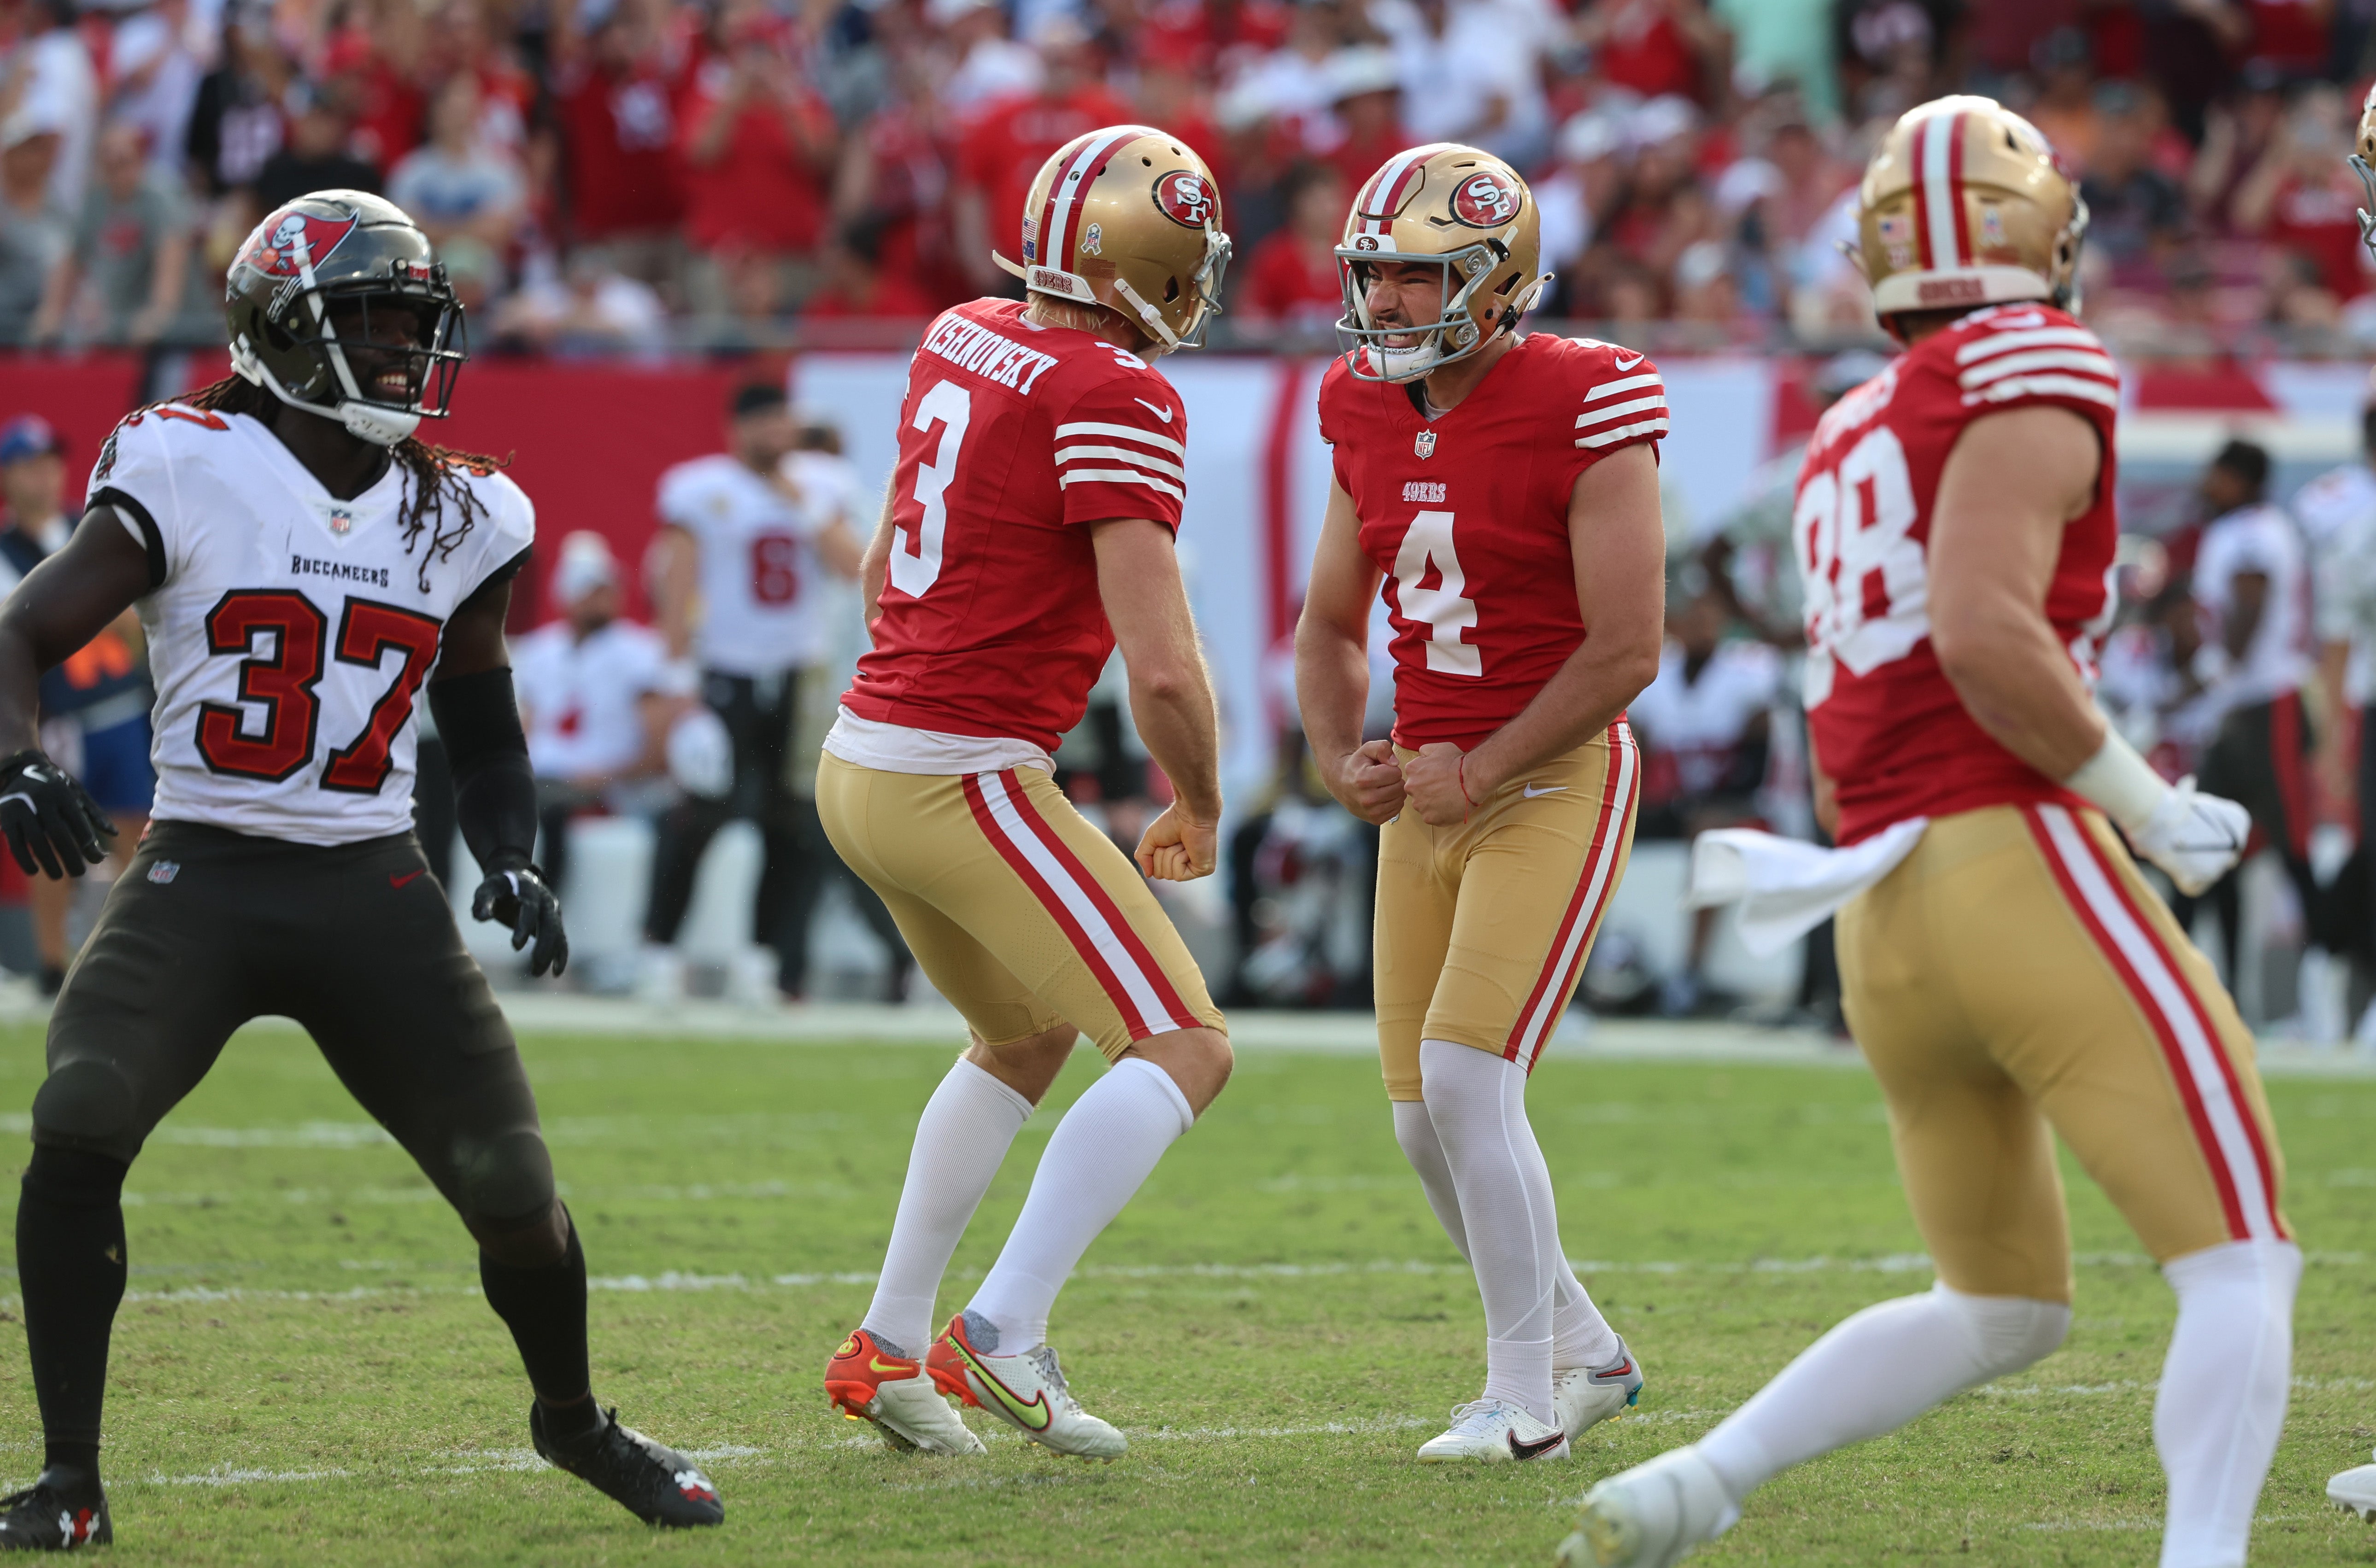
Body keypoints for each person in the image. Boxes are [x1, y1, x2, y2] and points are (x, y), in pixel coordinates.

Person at [1565, 97, 2289, 1568]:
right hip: (2011, 855)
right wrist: (2146, 806)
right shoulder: (2032, 361)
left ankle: (1695, 1484)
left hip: (1882, 902)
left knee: (2003, 1306)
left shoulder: (1850, 425)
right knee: (2243, 1258)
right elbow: (1981, 630)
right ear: (2042, 237)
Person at [0, 190, 723, 1548]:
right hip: (205, 867)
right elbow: (22, 631)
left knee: (513, 1185)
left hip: (367, 883)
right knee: (83, 1105)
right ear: (284, 332)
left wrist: (509, 855)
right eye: (377, 324)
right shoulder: (187, 461)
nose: (407, 353)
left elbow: (486, 727)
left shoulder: (466, 514)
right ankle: (70, 1479)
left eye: (416, 325)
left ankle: (573, 1423)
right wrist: (15, 763)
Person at [817, 125, 1234, 1461]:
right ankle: (999, 1330)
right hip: (960, 772)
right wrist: (1202, 800)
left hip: (861, 755)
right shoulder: (1115, 390)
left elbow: (886, 555)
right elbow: (1161, 670)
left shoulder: (962, 327)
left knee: (1023, 1038)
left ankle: (885, 1345)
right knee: (1186, 1045)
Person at [1297, 143, 1664, 1464]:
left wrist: (1489, 760)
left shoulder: (1584, 392)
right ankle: (1588, 1352)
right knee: (1416, 1120)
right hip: (1428, 789)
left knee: (1466, 1075)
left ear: (1497, 283)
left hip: (1549, 774)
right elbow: (1330, 624)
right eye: (1373, 276)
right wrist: (1342, 753)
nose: (1385, 303)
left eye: (1415, 278)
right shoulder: (1357, 406)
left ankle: (1521, 1399)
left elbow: (1627, 647)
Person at [640, 381, 862, 1004]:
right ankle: (660, 949)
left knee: (788, 822)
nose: (776, 435)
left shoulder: (820, 483)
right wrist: (679, 684)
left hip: (798, 674)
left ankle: (764, 960)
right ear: (736, 427)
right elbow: (676, 584)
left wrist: (805, 508)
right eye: (764, 423)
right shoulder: (698, 487)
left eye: (783, 422)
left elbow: (854, 567)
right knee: (699, 815)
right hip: (723, 674)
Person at [0, 415, 153, 996]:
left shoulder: (86, 531)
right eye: (30, 464)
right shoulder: (9, 551)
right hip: (59, 713)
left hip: (116, 703)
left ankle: (118, 956)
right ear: (10, 476)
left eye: (50, 462)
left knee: (136, 833)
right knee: (53, 837)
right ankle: (50, 963)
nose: (44, 475)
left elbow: (135, 629)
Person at [2185, 439, 2327, 1021]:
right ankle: (2221, 997)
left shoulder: (2251, 531)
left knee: (2293, 848)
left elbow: (2251, 601)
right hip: (2242, 711)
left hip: (2269, 703)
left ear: (2241, 479)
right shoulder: (2240, 527)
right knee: (2210, 845)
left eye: (2217, 475)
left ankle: (2325, 988)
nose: (2208, 485)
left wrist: (2220, 669)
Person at [510, 531, 683, 902]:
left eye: (608, 588)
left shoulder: (639, 652)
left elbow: (657, 741)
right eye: (592, 589)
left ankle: (546, 914)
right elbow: (526, 724)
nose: (604, 598)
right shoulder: (541, 651)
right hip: (546, 773)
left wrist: (611, 775)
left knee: (553, 809)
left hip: (606, 778)